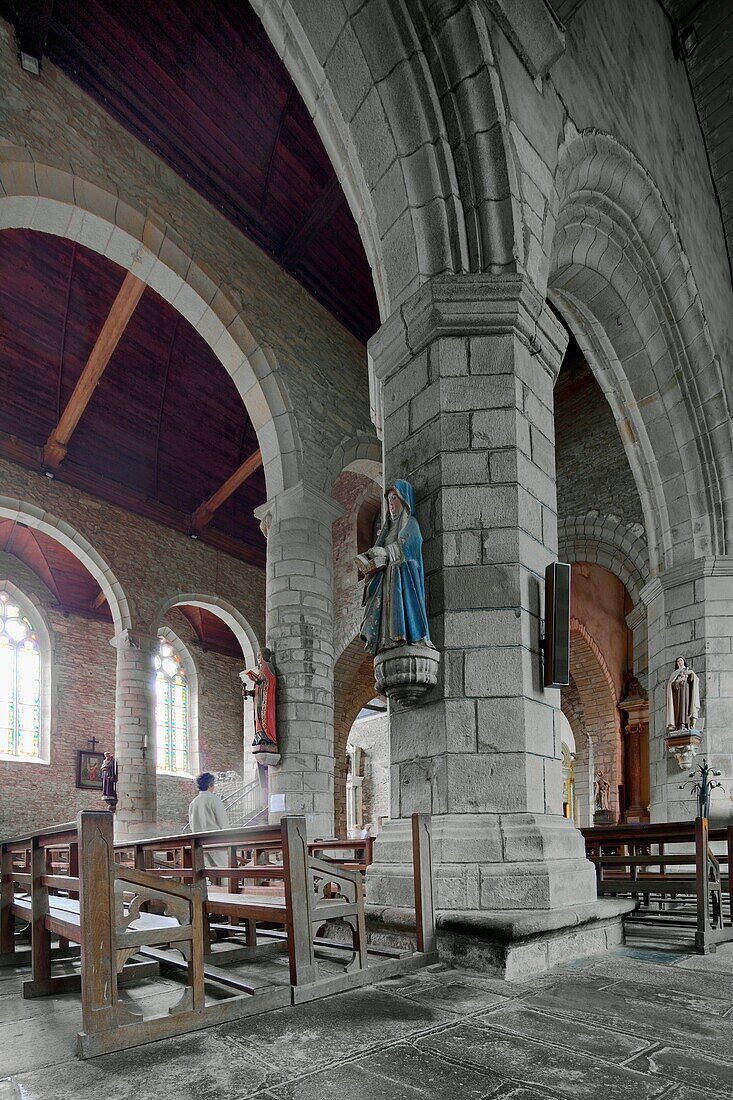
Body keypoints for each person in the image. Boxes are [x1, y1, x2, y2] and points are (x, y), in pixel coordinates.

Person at [359, 479, 431, 655]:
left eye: (394, 499)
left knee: (399, 604)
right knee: (386, 615)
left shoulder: (410, 524)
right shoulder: (388, 530)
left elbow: (411, 549)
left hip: (402, 581)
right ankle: (386, 641)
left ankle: (406, 636)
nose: (391, 505)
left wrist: (385, 553)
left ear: (404, 500)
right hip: (387, 581)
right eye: (389, 501)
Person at [188, 772, 229, 867]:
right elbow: (223, 822)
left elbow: (191, 824)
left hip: (199, 843)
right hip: (214, 840)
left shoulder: (193, 802)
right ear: (210, 785)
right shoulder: (214, 799)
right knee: (226, 869)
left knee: (206, 872)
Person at [666, 656, 701, 731]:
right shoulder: (675, 673)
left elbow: (694, 680)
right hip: (678, 694)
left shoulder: (688, 670)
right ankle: (680, 725)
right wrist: (678, 681)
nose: (680, 662)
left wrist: (691, 674)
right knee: (680, 707)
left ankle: (687, 724)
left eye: (681, 660)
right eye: (678, 661)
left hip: (687, 691)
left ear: (684, 661)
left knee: (687, 706)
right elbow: (671, 685)